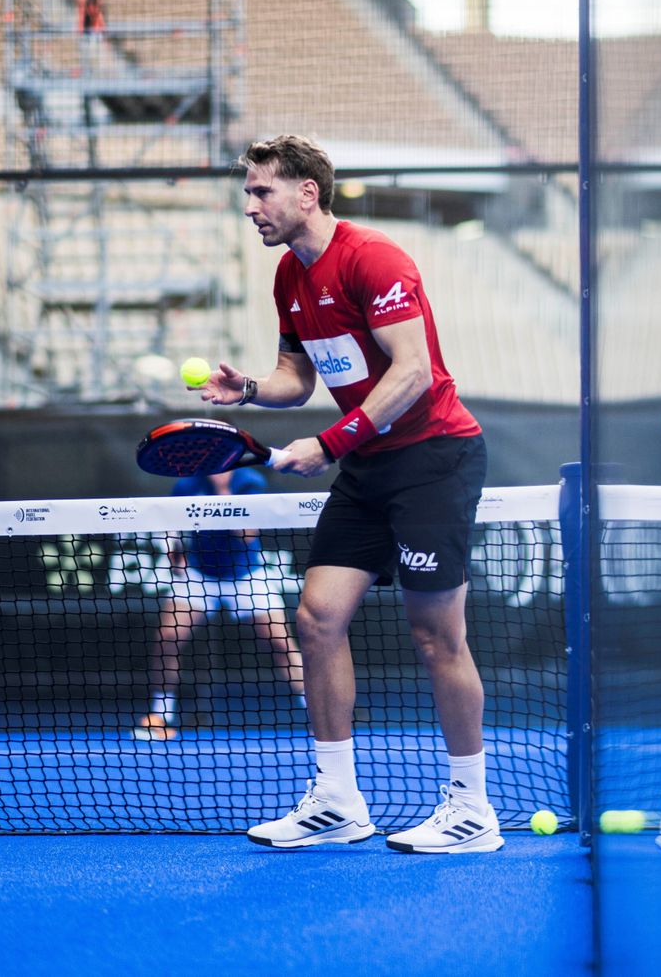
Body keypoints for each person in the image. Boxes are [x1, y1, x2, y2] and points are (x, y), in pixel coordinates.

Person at [195, 134, 496, 854]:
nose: (250, 206)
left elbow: (414, 372)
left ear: (307, 193)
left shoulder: (373, 258)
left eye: (261, 190)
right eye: (247, 192)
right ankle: (336, 799)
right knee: (317, 617)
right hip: (369, 464)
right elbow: (297, 378)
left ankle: (472, 808)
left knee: (436, 635)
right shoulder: (289, 280)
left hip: (434, 457)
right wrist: (250, 390)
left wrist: (329, 443)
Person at [133, 467, 304, 742]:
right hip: (200, 576)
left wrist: (224, 491)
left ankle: (315, 709)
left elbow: (247, 534)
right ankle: (160, 715)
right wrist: (175, 554)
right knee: (167, 637)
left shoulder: (250, 482)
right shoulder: (188, 483)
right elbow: (170, 524)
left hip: (246, 575)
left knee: (281, 643)